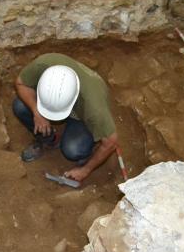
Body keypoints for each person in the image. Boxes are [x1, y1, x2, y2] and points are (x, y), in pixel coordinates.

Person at [13, 53, 117, 182]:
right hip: (57, 102)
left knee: (73, 150)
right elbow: (20, 83)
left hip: (81, 117)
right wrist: (37, 112)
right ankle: (50, 140)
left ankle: (87, 145)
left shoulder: (94, 107)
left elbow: (111, 143)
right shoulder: (43, 64)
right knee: (20, 106)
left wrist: (85, 170)